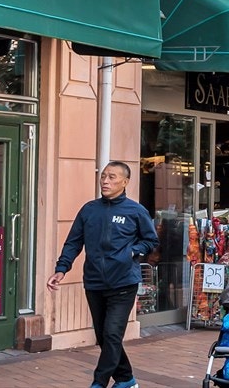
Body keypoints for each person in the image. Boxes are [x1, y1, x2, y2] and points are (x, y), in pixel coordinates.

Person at [48, 160, 157, 388]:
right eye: (103, 176)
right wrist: (61, 269)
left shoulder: (135, 211)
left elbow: (150, 240)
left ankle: (99, 383)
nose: (105, 181)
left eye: (112, 177)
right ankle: (126, 379)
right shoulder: (89, 209)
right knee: (104, 337)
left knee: (111, 335)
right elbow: (73, 242)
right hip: (95, 283)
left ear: (125, 182)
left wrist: (133, 251)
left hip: (124, 283)